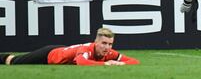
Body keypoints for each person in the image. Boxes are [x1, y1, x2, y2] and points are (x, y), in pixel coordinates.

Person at [0, 28, 139, 65]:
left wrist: (120, 64)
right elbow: (81, 62)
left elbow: (134, 61)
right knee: (13, 61)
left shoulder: (109, 53)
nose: (107, 47)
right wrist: (107, 65)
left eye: (110, 44)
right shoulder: (86, 49)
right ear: (96, 42)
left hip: (63, 51)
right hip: (49, 54)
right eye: (104, 43)